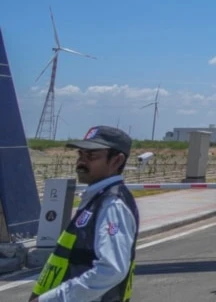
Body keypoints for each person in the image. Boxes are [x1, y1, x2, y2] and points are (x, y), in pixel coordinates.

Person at [30, 126, 139, 302]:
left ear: (117, 161)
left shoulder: (112, 204)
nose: (81, 162)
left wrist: (54, 299)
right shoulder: (98, 198)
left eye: (91, 156)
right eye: (80, 154)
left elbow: (111, 270)